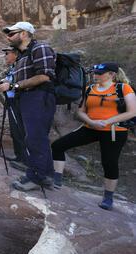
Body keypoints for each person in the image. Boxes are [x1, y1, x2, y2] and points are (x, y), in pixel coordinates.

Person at [51, 63, 136, 210]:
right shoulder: (89, 89)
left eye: (99, 73)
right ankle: (57, 178)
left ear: (111, 74)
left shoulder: (123, 88)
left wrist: (107, 121)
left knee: (109, 162)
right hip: (90, 127)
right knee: (58, 146)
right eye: (95, 73)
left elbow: (132, 111)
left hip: (114, 130)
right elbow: (81, 111)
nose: (95, 75)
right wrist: (91, 121)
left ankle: (108, 197)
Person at [0, 22, 57, 191]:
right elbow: (21, 80)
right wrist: (9, 83)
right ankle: (46, 175)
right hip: (27, 98)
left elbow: (45, 76)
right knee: (36, 138)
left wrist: (14, 86)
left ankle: (34, 177)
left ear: (24, 34)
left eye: (11, 34)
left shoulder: (40, 48)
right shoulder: (23, 55)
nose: (8, 37)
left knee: (35, 138)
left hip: (39, 97)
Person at [0, 47, 26, 168]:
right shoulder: (12, 68)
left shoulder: (20, 68)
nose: (5, 56)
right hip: (11, 101)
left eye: (7, 53)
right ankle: (19, 156)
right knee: (15, 131)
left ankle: (25, 159)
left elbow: (18, 85)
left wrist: (10, 86)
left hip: (19, 102)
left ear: (15, 54)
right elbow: (5, 85)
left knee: (20, 130)